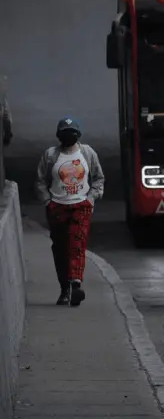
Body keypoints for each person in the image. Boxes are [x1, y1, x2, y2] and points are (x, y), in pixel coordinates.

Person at [34, 118, 105, 306]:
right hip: (56, 207)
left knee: (77, 242)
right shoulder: (50, 155)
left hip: (81, 206)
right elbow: (40, 180)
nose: (69, 136)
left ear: (78, 135)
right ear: (59, 136)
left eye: (72, 132)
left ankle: (76, 283)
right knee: (60, 248)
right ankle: (65, 288)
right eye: (65, 132)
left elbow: (98, 178)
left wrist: (91, 198)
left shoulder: (88, 153)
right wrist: (47, 201)